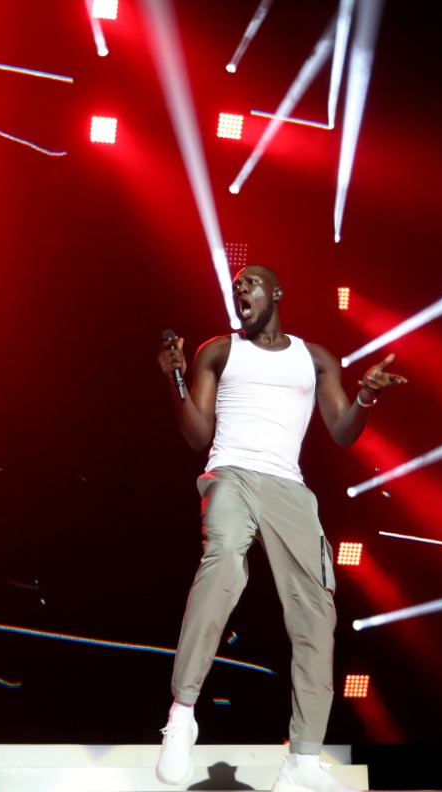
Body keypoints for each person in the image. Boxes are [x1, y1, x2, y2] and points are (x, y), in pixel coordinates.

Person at [153, 265, 407, 792]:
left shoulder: (314, 359)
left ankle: (303, 757)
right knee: (223, 561)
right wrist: (175, 379)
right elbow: (196, 435)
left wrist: (365, 396)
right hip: (230, 474)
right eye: (236, 286)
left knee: (316, 610)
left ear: (276, 293)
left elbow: (342, 432)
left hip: (289, 487)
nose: (240, 290)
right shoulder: (218, 351)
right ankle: (182, 715)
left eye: (250, 283)